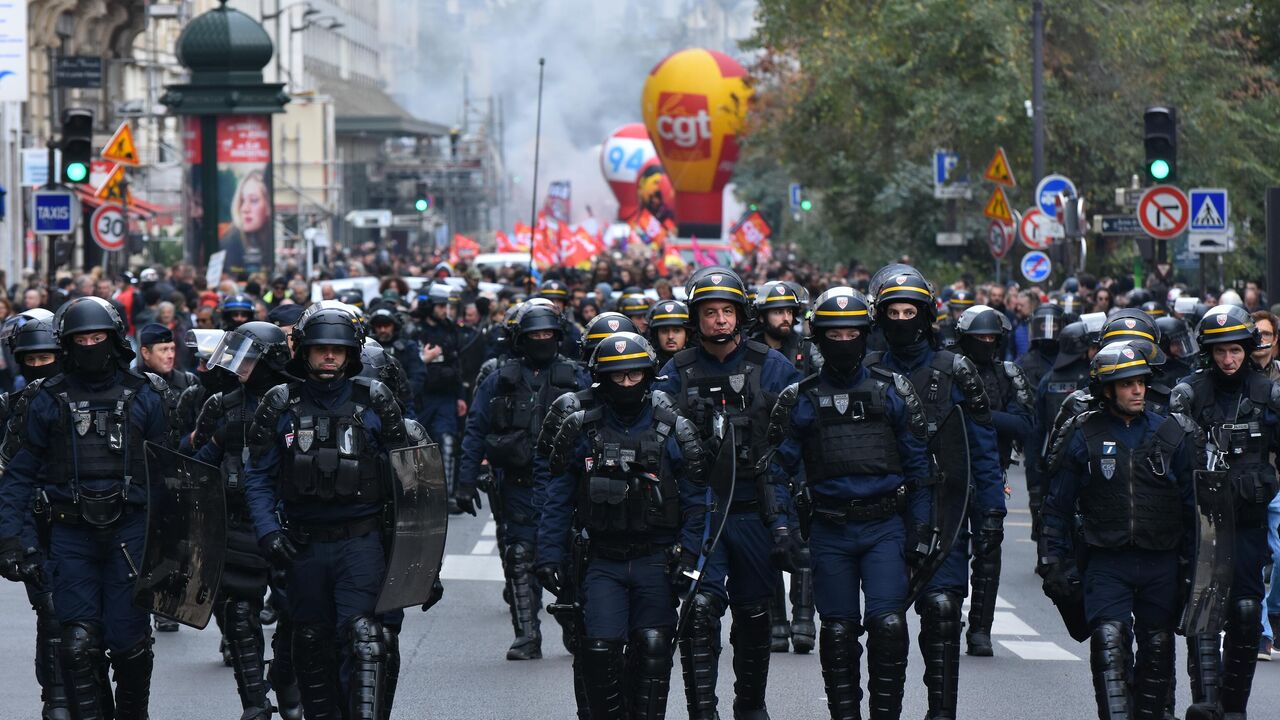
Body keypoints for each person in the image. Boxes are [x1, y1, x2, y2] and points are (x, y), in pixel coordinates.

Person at [241, 305, 420, 719]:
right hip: (302, 546)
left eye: (337, 350)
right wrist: (268, 532)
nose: (328, 357)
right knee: (310, 643)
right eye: (320, 349)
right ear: (303, 351)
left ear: (350, 354)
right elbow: (258, 477)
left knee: (364, 640)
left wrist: (420, 564)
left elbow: (409, 481)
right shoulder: (280, 403)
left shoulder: (375, 401)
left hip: (361, 543)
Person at [0, 297, 171, 720]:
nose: (90, 345)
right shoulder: (46, 399)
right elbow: (19, 476)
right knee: (76, 643)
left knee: (130, 645)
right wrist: (9, 540)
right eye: (81, 339)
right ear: (67, 344)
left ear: (113, 341)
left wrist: (177, 551)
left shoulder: (146, 396)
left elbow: (173, 477)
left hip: (130, 536)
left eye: (97, 337)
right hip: (70, 534)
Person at [767, 287, 930, 720]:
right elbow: (775, 470)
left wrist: (921, 532)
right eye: (833, 335)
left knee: (889, 626)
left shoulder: (893, 390)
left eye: (851, 334)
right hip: (830, 528)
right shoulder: (800, 398)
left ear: (865, 336)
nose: (843, 342)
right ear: (818, 339)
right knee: (838, 632)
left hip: (885, 527)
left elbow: (919, 470)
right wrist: (782, 528)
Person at [653, 267, 801, 720]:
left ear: (741, 315)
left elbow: (795, 438)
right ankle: (703, 710)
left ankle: (750, 705)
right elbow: (655, 442)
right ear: (695, 319)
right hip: (701, 513)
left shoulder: (771, 366)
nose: (719, 320)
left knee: (755, 615)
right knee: (699, 611)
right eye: (710, 312)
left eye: (727, 311)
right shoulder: (674, 372)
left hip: (755, 509)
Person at [537, 332, 708, 719]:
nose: (627, 384)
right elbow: (558, 497)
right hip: (602, 559)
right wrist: (547, 555)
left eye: (634, 376)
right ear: (603, 379)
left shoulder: (674, 429)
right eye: (618, 377)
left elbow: (699, 503)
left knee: (652, 646)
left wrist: (690, 559)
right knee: (599, 649)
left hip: (656, 558)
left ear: (648, 377)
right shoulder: (581, 427)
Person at [864, 266, 1001, 720]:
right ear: (880, 316)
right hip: (881, 511)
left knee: (941, 611)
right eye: (894, 312)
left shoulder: (955, 370)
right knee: (886, 623)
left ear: (926, 316)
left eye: (910, 311)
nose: (902, 320)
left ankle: (941, 713)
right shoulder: (864, 370)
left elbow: (980, 448)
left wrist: (992, 515)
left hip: (945, 507)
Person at [1039, 341, 1195, 720]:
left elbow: (1194, 507)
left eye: (1141, 382)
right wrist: (1053, 560)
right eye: (1127, 384)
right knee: (1109, 644)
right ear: (1107, 390)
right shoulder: (1084, 434)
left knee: (1157, 650)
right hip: (1106, 560)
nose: (1137, 390)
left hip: (1161, 561)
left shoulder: (1171, 433)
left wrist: (1194, 568)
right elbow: (1056, 506)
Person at [456, 303, 589, 660]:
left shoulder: (578, 377)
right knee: (519, 555)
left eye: (548, 335)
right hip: (518, 483)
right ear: (520, 339)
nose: (542, 340)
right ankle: (527, 635)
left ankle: (575, 626)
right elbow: (475, 429)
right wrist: (465, 481)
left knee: (573, 555)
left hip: (567, 485)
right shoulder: (499, 379)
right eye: (534, 336)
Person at [1170, 305, 1280, 720]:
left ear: (1248, 348)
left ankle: (1234, 708)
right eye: (1220, 352)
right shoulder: (1190, 393)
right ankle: (1206, 704)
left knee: (1247, 611)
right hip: (1202, 522)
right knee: (1204, 611)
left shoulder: (1268, 393)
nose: (1228, 359)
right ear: (1209, 353)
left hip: (1250, 520)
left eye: (1235, 350)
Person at [188, 322, 300, 720]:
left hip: (286, 521)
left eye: (250, 359)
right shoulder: (221, 404)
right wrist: (219, 440)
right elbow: (193, 471)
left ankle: (286, 681)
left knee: (296, 613)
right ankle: (254, 703)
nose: (240, 367)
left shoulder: (296, 401)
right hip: (235, 521)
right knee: (238, 616)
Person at [0, 309, 70, 718]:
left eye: (48, 358)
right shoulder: (16, 408)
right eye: (33, 360)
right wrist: (15, 541)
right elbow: (11, 479)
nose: (40, 367)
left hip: (95, 524)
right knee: (52, 612)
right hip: (40, 526)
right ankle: (56, 701)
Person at [953, 304, 1034, 657]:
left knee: (989, 549)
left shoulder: (1008, 373)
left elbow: (1024, 425)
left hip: (992, 471)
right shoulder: (950, 369)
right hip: (952, 472)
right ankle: (946, 618)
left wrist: (981, 415)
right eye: (978, 338)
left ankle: (981, 630)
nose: (985, 343)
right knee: (949, 552)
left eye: (991, 337)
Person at [750, 280, 819, 654]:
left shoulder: (809, 352)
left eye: (790, 311)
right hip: (762, 452)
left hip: (802, 451)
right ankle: (777, 620)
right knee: (770, 538)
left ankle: (804, 618)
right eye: (777, 311)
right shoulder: (751, 354)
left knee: (802, 534)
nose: (785, 318)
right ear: (762, 315)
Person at [413, 283, 468, 507]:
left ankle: (445, 496)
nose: (443, 309)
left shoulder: (450, 329)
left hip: (446, 396)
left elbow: (457, 364)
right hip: (425, 396)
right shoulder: (416, 331)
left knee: (446, 442)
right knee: (420, 444)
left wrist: (461, 396)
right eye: (440, 305)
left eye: (445, 305)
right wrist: (423, 359)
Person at [220, 169, 272, 274]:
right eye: (242, 200)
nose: (244, 208)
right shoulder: (229, 241)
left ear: (268, 204)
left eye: (253, 200)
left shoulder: (271, 239)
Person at [647, 300, 690, 369]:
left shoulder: (700, 361)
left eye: (676, 331)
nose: (670, 336)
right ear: (656, 335)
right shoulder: (647, 366)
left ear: (687, 335)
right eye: (664, 331)